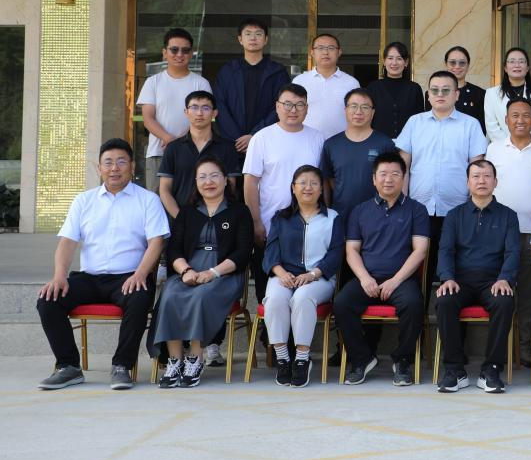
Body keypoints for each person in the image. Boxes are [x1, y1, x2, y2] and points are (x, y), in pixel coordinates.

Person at [36, 139, 169, 390]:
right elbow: (67, 242)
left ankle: (122, 366)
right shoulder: (84, 201)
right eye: (108, 162)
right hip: (89, 278)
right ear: (99, 168)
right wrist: (59, 276)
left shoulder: (148, 200)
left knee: (140, 298)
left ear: (132, 166)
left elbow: (157, 242)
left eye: (121, 162)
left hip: (129, 277)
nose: (114, 168)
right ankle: (68, 367)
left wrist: (141, 273)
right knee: (48, 299)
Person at [152, 156, 253, 389]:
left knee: (201, 295)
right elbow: (174, 249)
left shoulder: (239, 211)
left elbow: (243, 252)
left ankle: (195, 359)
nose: (209, 182)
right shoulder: (187, 213)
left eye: (215, 176)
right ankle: (175, 360)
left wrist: (213, 273)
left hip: (225, 273)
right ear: (196, 182)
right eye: (203, 177)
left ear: (226, 180)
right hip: (188, 270)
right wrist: (186, 271)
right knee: (169, 295)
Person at [335, 151, 431, 386]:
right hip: (367, 278)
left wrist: (395, 281)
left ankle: (403, 361)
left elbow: (420, 250)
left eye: (395, 174)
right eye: (383, 174)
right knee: (342, 303)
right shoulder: (360, 211)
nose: (389, 179)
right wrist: (364, 278)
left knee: (414, 305)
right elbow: (352, 251)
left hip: (401, 280)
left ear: (404, 178)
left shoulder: (416, 210)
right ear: (374, 178)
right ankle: (362, 359)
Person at [434, 160, 519, 394]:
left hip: (493, 281)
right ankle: (455, 371)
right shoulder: (454, 215)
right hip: (460, 281)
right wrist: (447, 278)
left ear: (496, 181)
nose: (482, 181)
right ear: (467, 182)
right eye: (476, 176)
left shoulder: (508, 216)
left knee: (504, 301)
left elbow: (513, 252)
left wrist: (505, 278)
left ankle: (491, 370)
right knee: (444, 300)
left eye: (487, 176)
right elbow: (445, 250)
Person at [486, 97, 531, 364]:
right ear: (506, 120)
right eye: (514, 115)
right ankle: (500, 350)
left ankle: (527, 348)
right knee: (500, 292)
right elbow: (486, 189)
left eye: (526, 115)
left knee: (529, 294)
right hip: (498, 235)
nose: (520, 120)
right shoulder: (494, 149)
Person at [394, 70, 488, 273]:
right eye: (435, 90)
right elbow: (403, 168)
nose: (440, 94)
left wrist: (473, 206)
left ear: (456, 94)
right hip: (419, 207)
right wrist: (402, 201)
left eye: (446, 90)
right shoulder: (414, 123)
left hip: (458, 207)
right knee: (420, 267)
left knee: (454, 265)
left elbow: (477, 169)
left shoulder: (470, 125)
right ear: (428, 95)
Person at [261, 164, 344, 388]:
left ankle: (301, 358)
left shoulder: (332, 218)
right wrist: (281, 273)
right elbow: (270, 251)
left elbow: (336, 253)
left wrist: (313, 274)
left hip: (319, 278)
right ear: (293, 188)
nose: (308, 187)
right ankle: (282, 358)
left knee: (302, 297)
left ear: (321, 189)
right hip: (284, 276)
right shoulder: (281, 218)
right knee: (275, 299)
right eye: (303, 183)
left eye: (314, 183)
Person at [242, 84, 325, 305]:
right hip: (269, 226)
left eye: (299, 105)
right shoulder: (262, 138)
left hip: (309, 226)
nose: (293, 110)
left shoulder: (317, 138)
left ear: (307, 108)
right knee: (268, 290)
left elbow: (323, 182)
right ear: (277, 107)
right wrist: (256, 221)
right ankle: (269, 328)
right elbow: (250, 182)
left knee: (301, 292)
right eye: (287, 104)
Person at [136, 27, 212, 190]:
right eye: (174, 50)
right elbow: (148, 118)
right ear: (164, 52)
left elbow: (206, 117)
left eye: (185, 50)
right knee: (156, 201)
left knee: (191, 199)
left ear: (191, 54)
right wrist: (169, 139)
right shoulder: (153, 82)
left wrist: (180, 142)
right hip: (158, 152)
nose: (180, 54)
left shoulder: (201, 83)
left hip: (193, 151)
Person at [157, 90, 242, 221]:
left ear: (214, 113)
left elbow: (230, 188)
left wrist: (213, 219)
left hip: (217, 221)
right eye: (194, 107)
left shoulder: (227, 148)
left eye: (206, 108)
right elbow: (164, 190)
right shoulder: (173, 148)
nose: (199, 113)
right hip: (179, 221)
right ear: (186, 112)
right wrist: (182, 219)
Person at [213, 17, 288, 155]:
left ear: (265, 40)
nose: (253, 38)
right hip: (232, 144)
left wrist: (254, 135)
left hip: (267, 142)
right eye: (248, 34)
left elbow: (281, 106)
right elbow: (219, 105)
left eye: (258, 34)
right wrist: (237, 138)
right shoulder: (228, 71)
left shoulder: (277, 72)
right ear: (240, 39)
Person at [320, 88, 396, 217]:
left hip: (377, 216)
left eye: (365, 107)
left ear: (373, 112)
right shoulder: (331, 145)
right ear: (345, 110)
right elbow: (329, 181)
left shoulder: (385, 144)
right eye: (353, 106)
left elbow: (393, 180)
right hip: (341, 215)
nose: (358, 112)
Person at [292, 33, 361, 140]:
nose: (325, 52)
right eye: (320, 48)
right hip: (305, 141)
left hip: (341, 142)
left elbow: (358, 115)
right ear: (312, 52)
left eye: (331, 48)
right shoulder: (299, 81)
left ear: (339, 52)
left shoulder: (351, 83)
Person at [364, 41, 425, 139]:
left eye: (399, 58)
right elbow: (366, 117)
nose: (394, 63)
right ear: (384, 61)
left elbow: (420, 120)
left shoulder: (414, 89)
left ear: (406, 62)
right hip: (378, 142)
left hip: (408, 143)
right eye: (390, 58)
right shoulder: (373, 87)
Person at [484, 46, 531, 143]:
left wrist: (526, 142)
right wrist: (509, 144)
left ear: (527, 68)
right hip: (501, 147)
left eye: (521, 61)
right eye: (512, 61)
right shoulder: (491, 93)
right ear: (505, 68)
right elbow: (491, 125)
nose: (517, 65)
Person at [422, 46, 487, 134]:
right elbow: (430, 123)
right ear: (446, 64)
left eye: (462, 63)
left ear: (468, 65)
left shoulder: (480, 93)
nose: (457, 66)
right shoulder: (433, 93)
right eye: (452, 62)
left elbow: (482, 127)